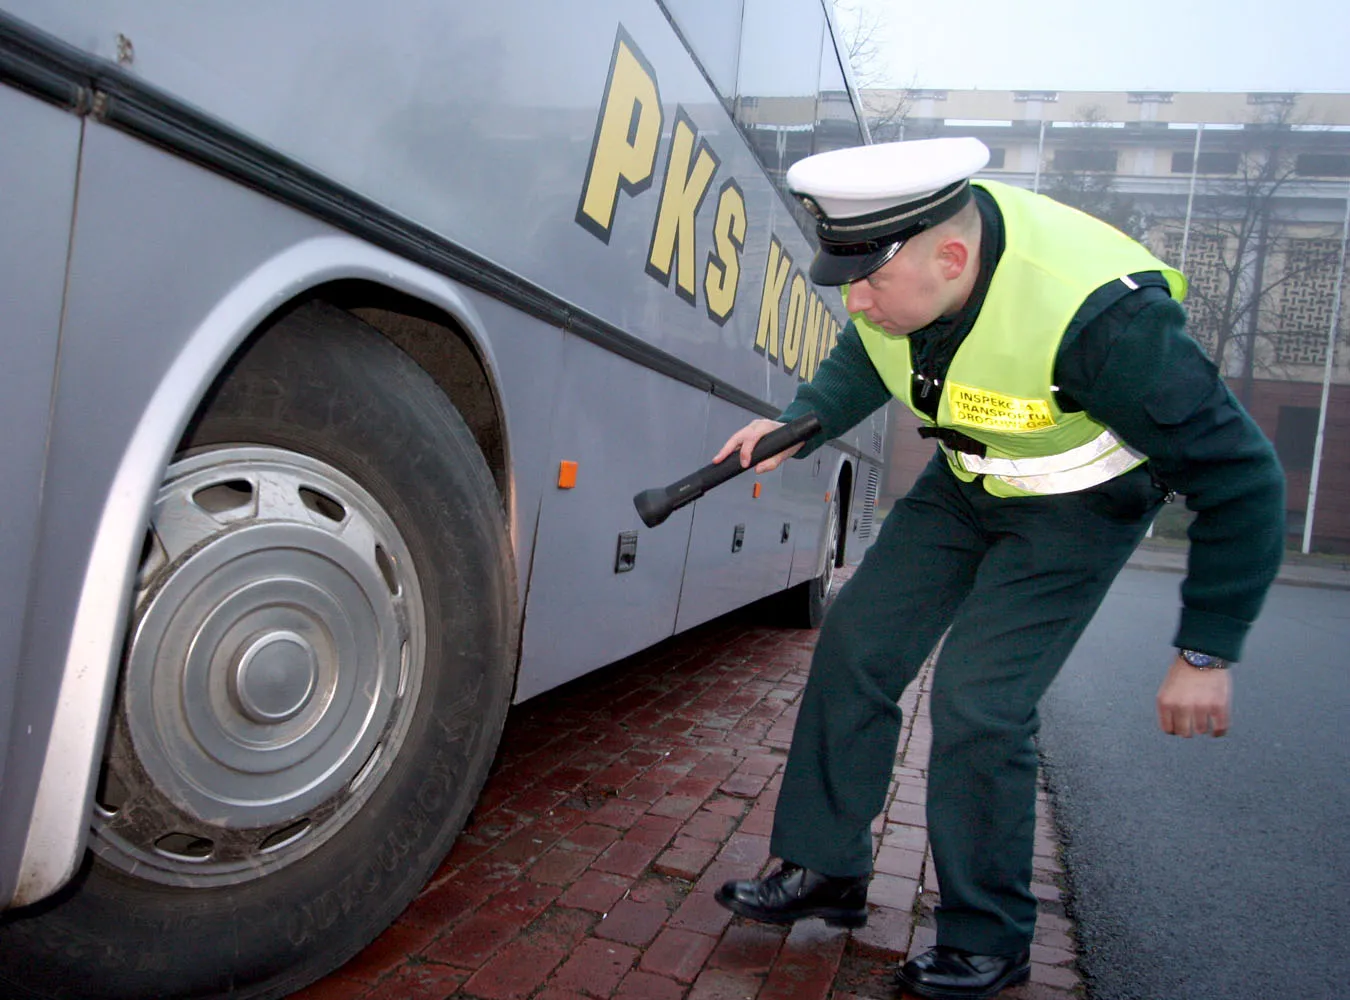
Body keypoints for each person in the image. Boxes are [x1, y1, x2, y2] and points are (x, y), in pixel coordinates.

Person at [710, 137, 1285, 999]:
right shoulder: (904, 280)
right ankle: (826, 868)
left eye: (870, 283)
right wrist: (802, 420)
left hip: (1080, 510)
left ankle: (989, 936)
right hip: (966, 484)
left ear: (951, 255)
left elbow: (1243, 478)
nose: (856, 302)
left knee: (979, 702)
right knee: (855, 644)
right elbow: (868, 357)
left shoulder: (1107, 320)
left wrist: (1206, 650)